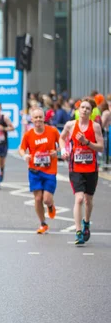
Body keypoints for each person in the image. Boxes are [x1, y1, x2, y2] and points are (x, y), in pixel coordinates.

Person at [60, 99, 105, 245]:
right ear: (78, 110)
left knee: (88, 200)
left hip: (91, 168)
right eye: (82, 107)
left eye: (87, 108)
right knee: (79, 198)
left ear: (91, 112)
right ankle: (78, 231)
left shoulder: (96, 127)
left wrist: (87, 143)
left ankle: (86, 222)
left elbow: (101, 148)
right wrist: (63, 150)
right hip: (76, 168)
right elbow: (61, 138)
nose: (84, 110)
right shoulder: (70, 125)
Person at [18, 108, 59, 235]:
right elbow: (21, 149)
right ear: (32, 119)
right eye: (36, 117)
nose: (38, 120)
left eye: (40, 117)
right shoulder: (28, 135)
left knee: (46, 199)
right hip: (34, 170)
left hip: (49, 170)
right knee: (37, 198)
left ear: (44, 118)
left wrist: (57, 152)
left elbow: (63, 144)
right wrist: (25, 156)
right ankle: (43, 223)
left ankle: (50, 205)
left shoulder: (52, 131)